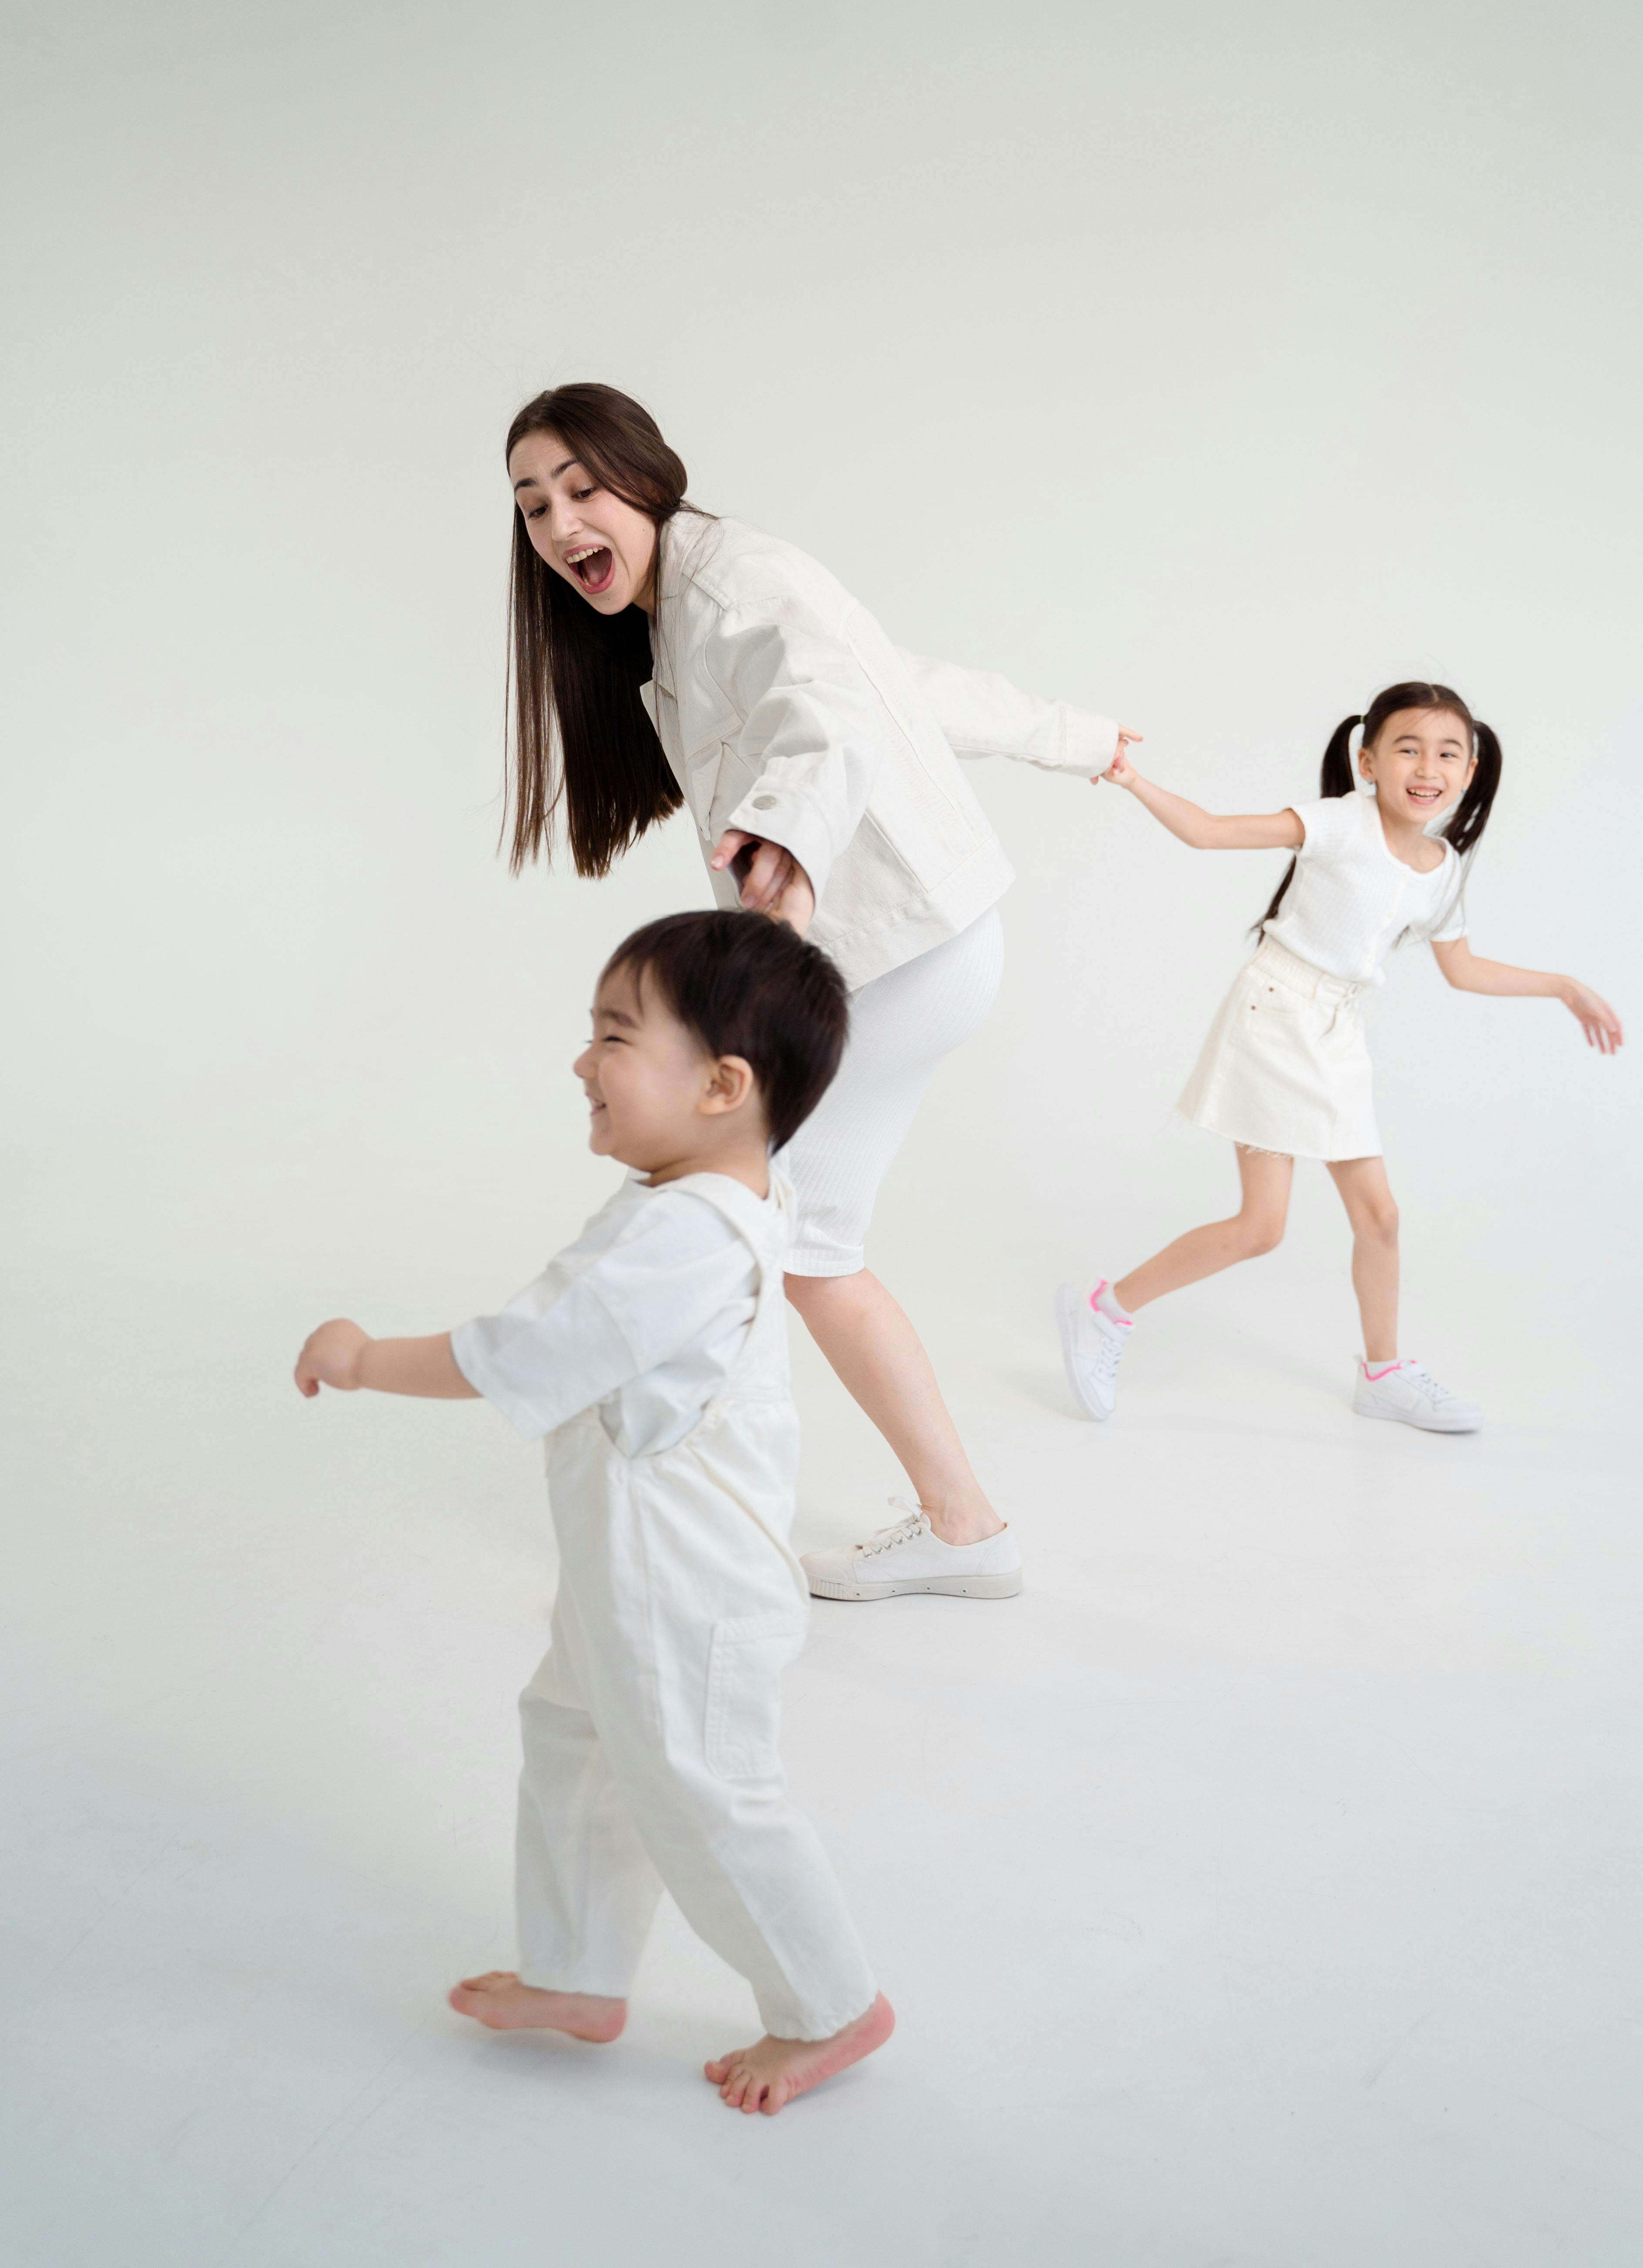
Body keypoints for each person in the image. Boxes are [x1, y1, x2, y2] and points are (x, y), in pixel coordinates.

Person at [503, 382, 1134, 1600]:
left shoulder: (737, 588)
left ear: (647, 475)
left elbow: (832, 719)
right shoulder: (696, 603)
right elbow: (909, 685)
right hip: (916, 947)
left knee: (749, 1223)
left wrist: (786, 855)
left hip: (893, 953)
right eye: (534, 507)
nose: (559, 522)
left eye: (582, 487)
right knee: (785, 1235)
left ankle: (796, 1518)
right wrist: (1080, 736)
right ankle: (956, 1527)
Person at [294, 909, 895, 2115]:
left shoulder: (687, 1233)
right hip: (630, 1576)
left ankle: (833, 2006)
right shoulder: (689, 1199)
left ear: (724, 1084)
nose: (584, 1060)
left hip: (691, 1591)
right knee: (574, 1742)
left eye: (615, 1035)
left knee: (702, 1792)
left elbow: (521, 1350)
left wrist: (365, 1358)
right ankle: (577, 1974)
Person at [1057, 681, 1623, 1432]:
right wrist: (1130, 777)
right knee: (1263, 1227)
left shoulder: (1444, 867)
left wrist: (1563, 987)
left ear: (1473, 764)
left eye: (1448, 752)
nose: (1429, 766)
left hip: (1337, 1031)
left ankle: (1383, 1373)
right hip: (1272, 1017)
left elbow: (1463, 969)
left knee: (1380, 1217)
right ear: (1369, 761)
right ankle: (1104, 1309)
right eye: (1408, 748)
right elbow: (1212, 832)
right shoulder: (1338, 825)